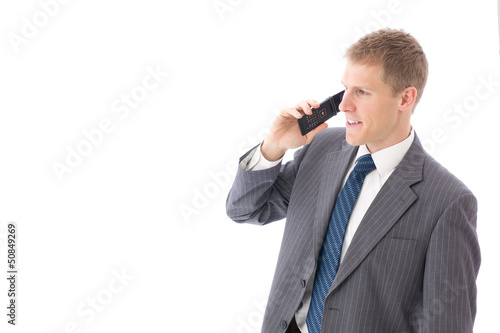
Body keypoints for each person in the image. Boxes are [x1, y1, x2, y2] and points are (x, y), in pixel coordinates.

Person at [226, 28, 480, 333]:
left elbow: (446, 326)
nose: (344, 105)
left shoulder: (448, 201)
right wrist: (274, 146)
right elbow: (245, 209)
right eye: (345, 88)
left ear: (406, 98)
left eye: (362, 92)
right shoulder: (321, 149)